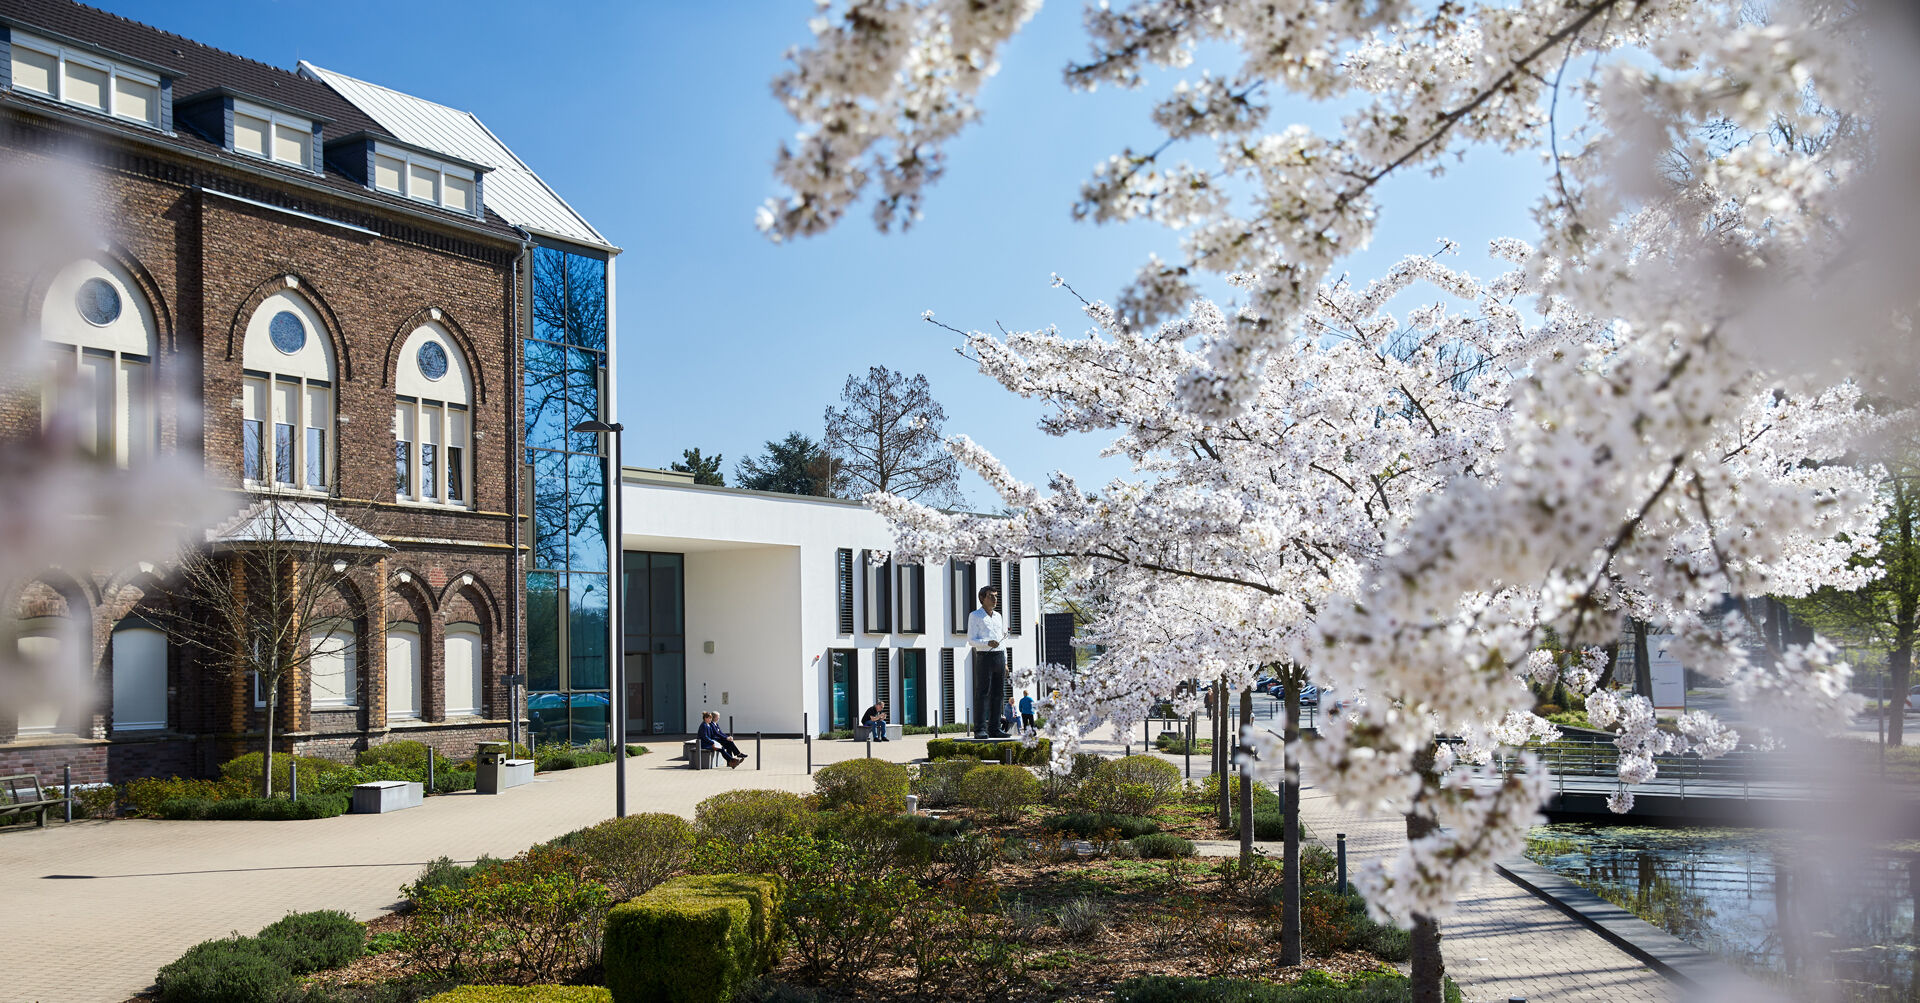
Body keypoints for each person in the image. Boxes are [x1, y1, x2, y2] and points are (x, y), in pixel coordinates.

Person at [968, 585, 1009, 738]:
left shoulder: (998, 616)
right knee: (982, 693)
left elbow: (1002, 640)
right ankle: (979, 729)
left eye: (996, 596)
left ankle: (995, 728)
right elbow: (971, 640)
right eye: (991, 596)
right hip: (984, 656)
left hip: (999, 656)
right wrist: (987, 642)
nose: (994, 599)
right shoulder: (975, 616)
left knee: (999, 694)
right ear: (982, 598)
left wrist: (1005, 662)